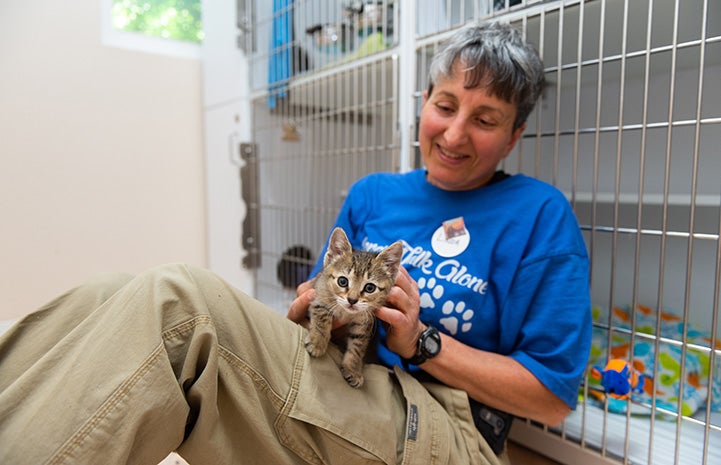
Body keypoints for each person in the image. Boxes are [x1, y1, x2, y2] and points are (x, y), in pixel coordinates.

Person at [0, 21, 591, 465]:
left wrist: (421, 342)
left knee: (179, 305)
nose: (455, 133)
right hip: (350, 382)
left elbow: (552, 399)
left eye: (485, 120)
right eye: (444, 106)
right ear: (424, 105)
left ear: (513, 137)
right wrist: (318, 313)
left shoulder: (539, 214)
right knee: (109, 295)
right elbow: (312, 319)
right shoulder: (373, 195)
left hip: (446, 427)